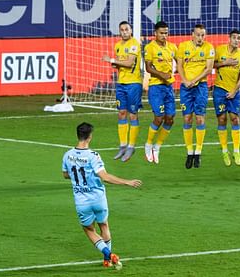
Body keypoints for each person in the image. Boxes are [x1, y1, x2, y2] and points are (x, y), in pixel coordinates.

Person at [62, 122, 142, 269]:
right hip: (98, 198)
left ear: (78, 135)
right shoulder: (93, 156)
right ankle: (108, 259)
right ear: (90, 137)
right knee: (104, 225)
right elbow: (104, 177)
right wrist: (127, 182)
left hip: (82, 200)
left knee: (88, 229)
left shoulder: (67, 155)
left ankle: (108, 254)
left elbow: (66, 175)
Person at [102, 21, 143, 162]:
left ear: (131, 31)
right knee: (121, 113)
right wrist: (113, 62)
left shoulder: (134, 44)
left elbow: (130, 63)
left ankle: (131, 147)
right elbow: (119, 65)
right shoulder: (118, 45)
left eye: (126, 29)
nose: (124, 32)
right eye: (122, 30)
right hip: (121, 83)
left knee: (132, 115)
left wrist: (112, 60)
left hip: (133, 83)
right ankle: (123, 145)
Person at [176, 24, 215, 169]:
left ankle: (198, 152)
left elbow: (209, 69)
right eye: (198, 35)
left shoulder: (209, 48)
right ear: (192, 34)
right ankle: (189, 152)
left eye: (203, 35)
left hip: (201, 87)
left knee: (199, 118)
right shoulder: (183, 46)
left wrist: (195, 80)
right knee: (187, 118)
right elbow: (179, 66)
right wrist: (185, 81)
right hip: (186, 87)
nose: (200, 38)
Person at [143, 21, 178, 164]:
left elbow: (181, 61)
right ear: (155, 33)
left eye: (166, 33)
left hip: (168, 87)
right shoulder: (150, 47)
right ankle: (148, 144)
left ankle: (157, 147)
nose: (164, 35)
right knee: (159, 117)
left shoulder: (172, 47)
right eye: (161, 33)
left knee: (170, 119)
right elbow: (148, 67)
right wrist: (161, 75)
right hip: (156, 87)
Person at [213, 29, 240, 166]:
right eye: (234, 37)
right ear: (229, 38)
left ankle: (236, 151)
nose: (236, 40)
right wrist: (224, 63)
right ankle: (224, 151)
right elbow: (212, 65)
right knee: (222, 119)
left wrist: (234, 91)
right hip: (220, 89)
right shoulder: (220, 50)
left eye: (239, 38)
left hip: (234, 91)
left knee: (235, 119)